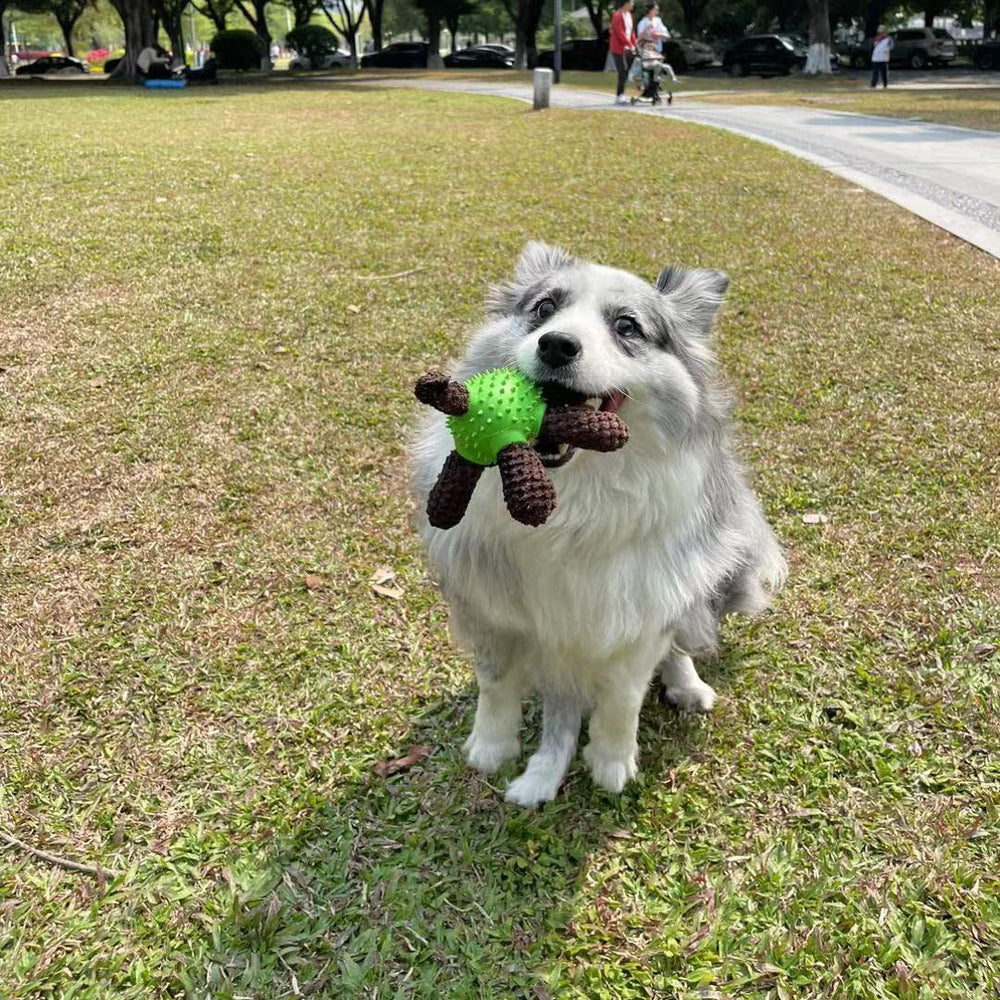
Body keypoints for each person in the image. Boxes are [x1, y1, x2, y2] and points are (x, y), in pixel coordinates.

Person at [609, 0, 637, 105]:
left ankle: (621, 94)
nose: (632, 5)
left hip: (628, 48)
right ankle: (619, 95)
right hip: (618, 48)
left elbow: (631, 32)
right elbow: (620, 33)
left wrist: (635, 43)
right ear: (625, 3)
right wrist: (630, 45)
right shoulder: (617, 15)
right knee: (622, 71)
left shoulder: (629, 15)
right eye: (631, 3)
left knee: (626, 72)